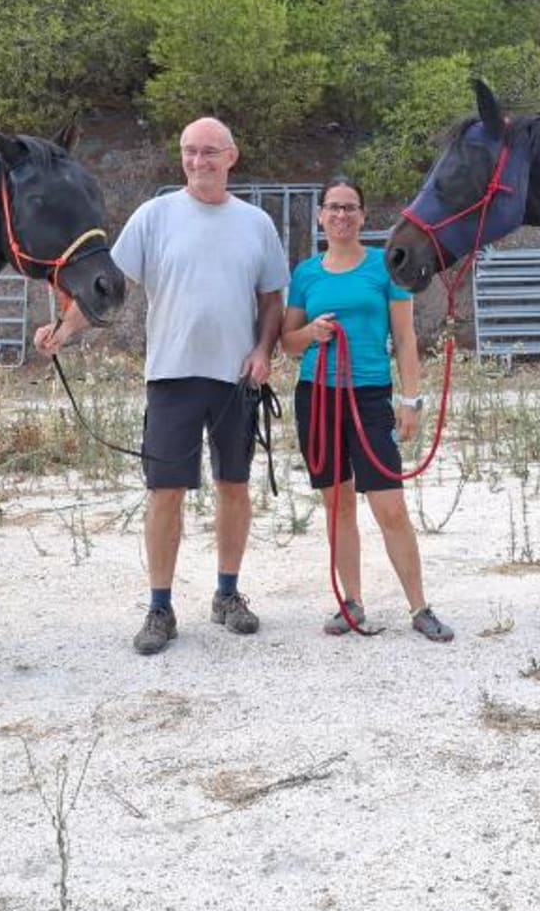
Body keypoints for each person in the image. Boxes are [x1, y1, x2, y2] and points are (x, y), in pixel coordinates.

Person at [35, 117, 289, 655]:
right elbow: (110, 288)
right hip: (171, 377)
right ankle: (159, 607)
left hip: (236, 380)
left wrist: (263, 351)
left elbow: (272, 300)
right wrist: (62, 330)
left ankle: (227, 594)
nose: (199, 161)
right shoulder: (154, 217)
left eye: (210, 152)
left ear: (231, 156)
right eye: (190, 152)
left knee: (234, 489)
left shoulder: (257, 224)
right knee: (164, 493)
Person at [280, 177, 454, 642]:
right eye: (333, 207)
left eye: (350, 207)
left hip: (371, 396)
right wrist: (311, 333)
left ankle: (419, 607)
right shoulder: (306, 273)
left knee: (390, 506)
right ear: (320, 216)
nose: (341, 215)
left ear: (362, 216)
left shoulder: (383, 267)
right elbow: (287, 343)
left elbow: (404, 338)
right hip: (316, 397)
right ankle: (351, 603)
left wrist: (410, 399)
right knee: (337, 505)